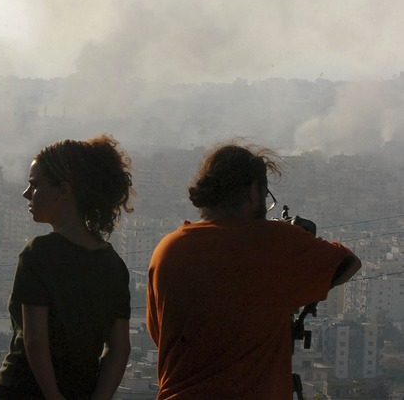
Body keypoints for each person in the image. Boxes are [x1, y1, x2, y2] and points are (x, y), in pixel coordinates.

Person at [146, 141, 362, 399]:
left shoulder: (168, 250)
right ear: (253, 191)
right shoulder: (276, 243)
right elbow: (348, 263)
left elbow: (161, 337)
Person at [0, 135, 135, 400]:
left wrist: (53, 396)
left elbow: (35, 341)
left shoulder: (39, 253)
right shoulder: (114, 265)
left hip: (22, 390)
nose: (26, 193)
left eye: (34, 185)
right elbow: (119, 349)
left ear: (64, 190)